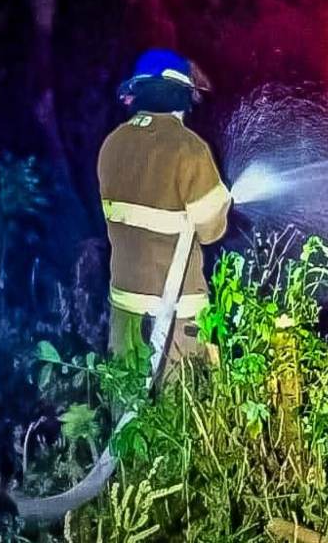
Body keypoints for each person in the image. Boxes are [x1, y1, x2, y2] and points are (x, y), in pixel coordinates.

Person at [97, 49, 231, 379]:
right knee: (178, 405)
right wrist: (221, 203)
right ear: (180, 94)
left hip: (125, 304)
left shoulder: (112, 144)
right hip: (179, 312)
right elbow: (211, 231)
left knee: (127, 399)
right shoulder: (189, 148)